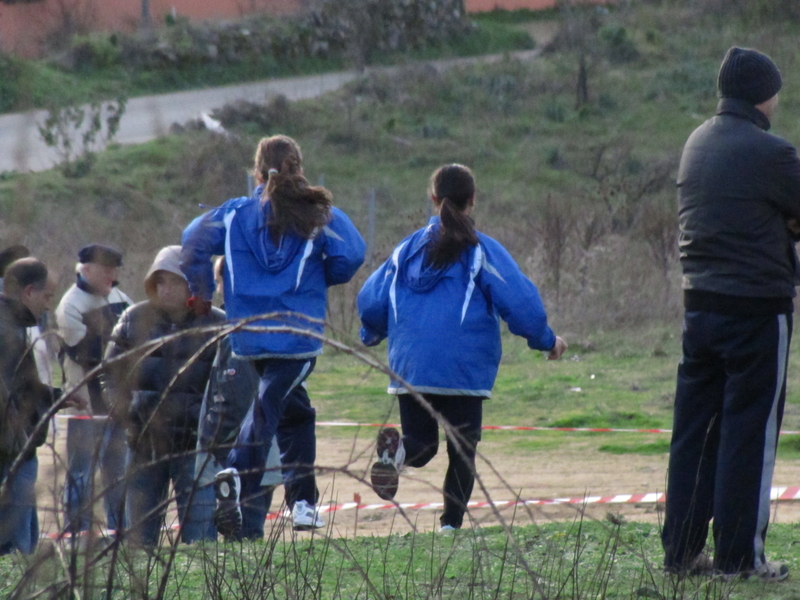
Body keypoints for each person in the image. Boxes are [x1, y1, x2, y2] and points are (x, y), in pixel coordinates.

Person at [357, 164, 567, 531]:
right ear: (472, 201)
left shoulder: (405, 250)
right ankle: (449, 527)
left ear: (433, 198)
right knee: (462, 452)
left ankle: (398, 452)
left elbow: (370, 300)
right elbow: (519, 303)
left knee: (421, 445)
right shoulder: (481, 250)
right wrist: (547, 341)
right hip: (463, 370)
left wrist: (371, 332)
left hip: (411, 368)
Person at [661, 47, 800, 582]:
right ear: (765, 94)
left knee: (695, 431)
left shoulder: (697, 142)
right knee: (749, 431)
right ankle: (741, 556)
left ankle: (680, 552)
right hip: (757, 311)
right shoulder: (772, 152)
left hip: (700, 307)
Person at [181, 134, 366, 534]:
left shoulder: (234, 214)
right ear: (299, 168)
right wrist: (324, 275)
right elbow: (352, 254)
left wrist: (201, 290)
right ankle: (235, 472)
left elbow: (192, 239)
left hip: (248, 336)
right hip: (296, 339)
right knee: (266, 407)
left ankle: (302, 503)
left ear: (257, 173)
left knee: (295, 413)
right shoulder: (319, 215)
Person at [104, 245, 224, 547]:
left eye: (174, 280)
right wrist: (127, 414)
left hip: (195, 447)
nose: (165, 288)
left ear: (193, 283)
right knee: (139, 543)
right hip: (144, 444)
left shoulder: (217, 323)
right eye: (159, 281)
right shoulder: (134, 318)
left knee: (201, 544)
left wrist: (212, 426)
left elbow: (228, 384)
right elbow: (110, 373)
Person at [0, 258, 82, 553]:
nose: (49, 305)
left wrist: (55, 396)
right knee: (13, 546)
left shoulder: (15, 325)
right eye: (47, 296)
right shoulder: (5, 329)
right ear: (29, 292)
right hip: (11, 452)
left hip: (20, 448)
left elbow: (22, 387)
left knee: (25, 540)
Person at [55, 244, 132, 537]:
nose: (112, 275)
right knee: (81, 472)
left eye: (114, 270)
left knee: (116, 469)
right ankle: (77, 531)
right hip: (85, 402)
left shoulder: (120, 297)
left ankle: (120, 528)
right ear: (86, 270)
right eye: (106, 269)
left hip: (115, 400)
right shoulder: (70, 305)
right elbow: (88, 353)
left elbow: (136, 338)